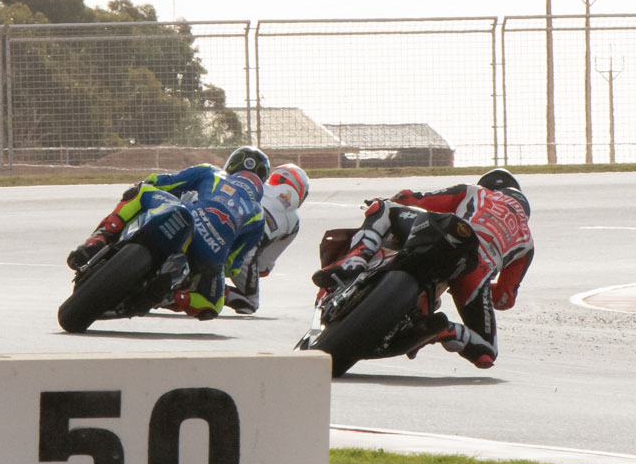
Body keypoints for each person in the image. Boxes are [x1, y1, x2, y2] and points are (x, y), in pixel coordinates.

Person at [311, 168, 534, 368]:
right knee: (487, 351)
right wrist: (486, 290)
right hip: (474, 270)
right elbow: (505, 299)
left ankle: (356, 258)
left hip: (444, 230)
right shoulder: (527, 242)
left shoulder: (476, 191)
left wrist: (390, 199)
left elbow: (414, 198)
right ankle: (447, 331)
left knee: (384, 208)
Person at [64, 146, 277, 320]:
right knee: (212, 304)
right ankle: (173, 295)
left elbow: (163, 181)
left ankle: (99, 239)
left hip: (187, 216)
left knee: (140, 192)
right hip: (210, 255)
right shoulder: (258, 215)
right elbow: (233, 263)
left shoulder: (211, 172)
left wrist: (147, 183)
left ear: (231, 165)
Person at [221, 163, 310, 314]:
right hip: (243, 251)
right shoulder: (294, 221)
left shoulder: (254, 188)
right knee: (251, 304)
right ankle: (217, 290)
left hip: (214, 224)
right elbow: (263, 267)